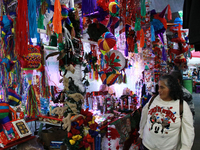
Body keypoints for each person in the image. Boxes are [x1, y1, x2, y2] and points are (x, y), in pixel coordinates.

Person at [138, 75, 194, 150]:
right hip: (147, 146)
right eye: (159, 87)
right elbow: (144, 118)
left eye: (162, 87)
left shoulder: (181, 106)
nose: (159, 90)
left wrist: (185, 147)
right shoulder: (153, 100)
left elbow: (188, 131)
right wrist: (141, 134)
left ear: (171, 89)